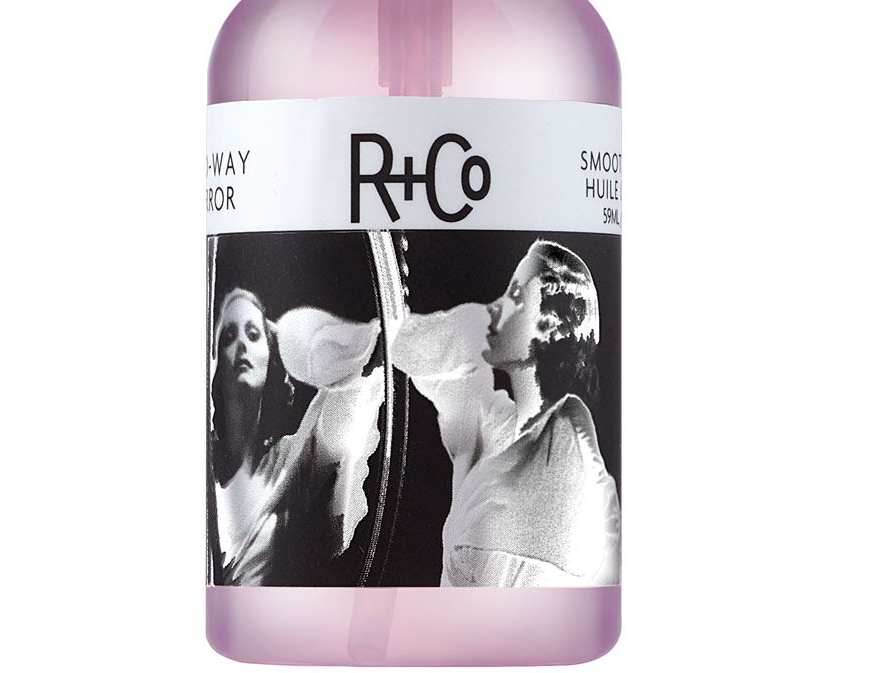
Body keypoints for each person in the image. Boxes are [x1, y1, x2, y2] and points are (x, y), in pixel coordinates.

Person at [392, 239, 621, 587]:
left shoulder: (560, 455)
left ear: (552, 325)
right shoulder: (501, 427)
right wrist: (477, 322)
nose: (496, 307)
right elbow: (406, 350)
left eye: (515, 295)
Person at [207, 288, 385, 586]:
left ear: (270, 357)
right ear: (214, 361)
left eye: (253, 334)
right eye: (228, 337)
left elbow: (353, 390)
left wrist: (296, 337)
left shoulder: (293, 462)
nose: (241, 344)